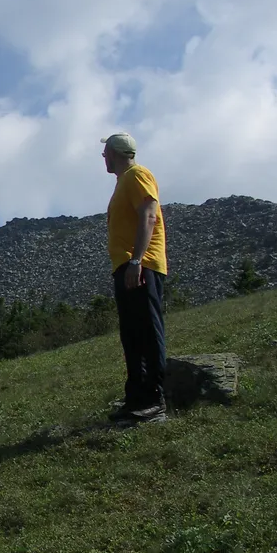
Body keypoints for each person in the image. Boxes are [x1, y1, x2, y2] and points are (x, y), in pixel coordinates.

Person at [102, 131, 168, 422]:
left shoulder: (138, 175)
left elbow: (148, 216)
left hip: (141, 265)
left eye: (105, 152)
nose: (103, 157)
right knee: (132, 334)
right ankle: (136, 399)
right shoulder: (122, 183)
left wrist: (137, 260)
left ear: (115, 153)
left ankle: (155, 398)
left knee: (147, 331)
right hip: (127, 266)